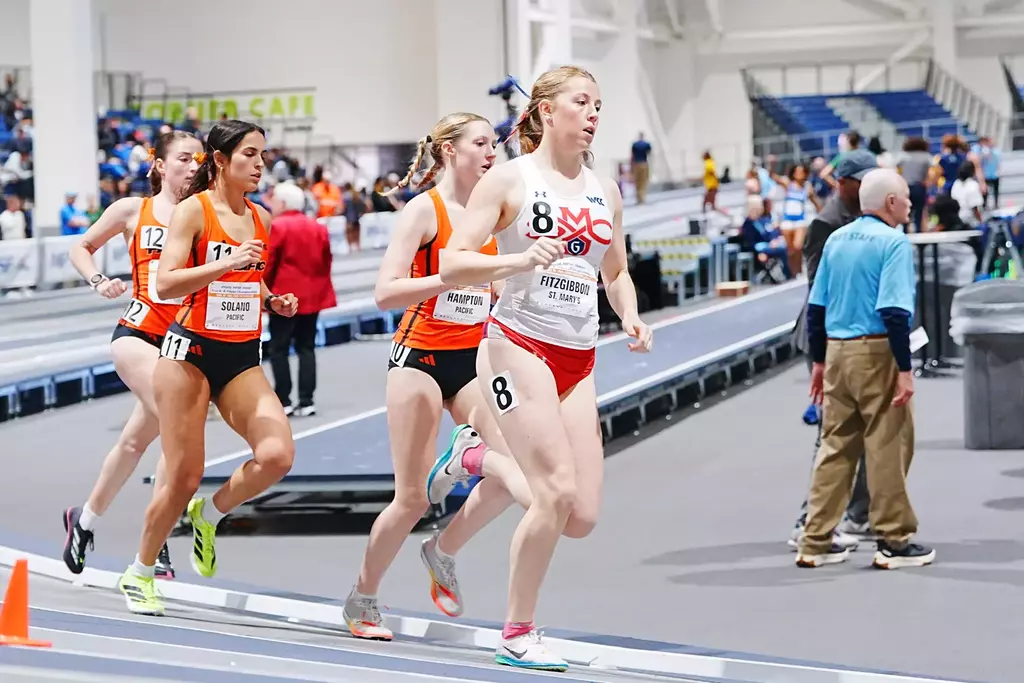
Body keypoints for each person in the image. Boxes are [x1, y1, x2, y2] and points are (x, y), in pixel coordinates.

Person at [438, 65, 654, 671]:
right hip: (517, 345)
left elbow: (615, 271)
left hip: (578, 357)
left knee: (580, 516)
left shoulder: (604, 190)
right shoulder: (510, 180)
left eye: (598, 105)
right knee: (553, 494)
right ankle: (517, 631)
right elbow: (454, 262)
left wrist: (631, 317)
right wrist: (517, 263)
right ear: (545, 111)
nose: (593, 115)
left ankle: (472, 457)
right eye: (581, 102)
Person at [343, 113, 532, 640]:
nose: (492, 151)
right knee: (411, 499)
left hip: (471, 358)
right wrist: (448, 275)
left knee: (513, 467)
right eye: (480, 143)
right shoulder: (423, 211)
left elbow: (487, 288)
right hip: (419, 358)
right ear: (450, 150)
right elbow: (385, 293)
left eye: (495, 143)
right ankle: (362, 599)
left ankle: (442, 549)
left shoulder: (491, 215)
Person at [118, 120, 299, 616]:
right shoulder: (193, 212)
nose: (261, 164)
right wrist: (227, 263)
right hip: (188, 353)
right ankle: (140, 570)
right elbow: (167, 284)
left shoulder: (261, 217)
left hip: (240, 354)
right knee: (183, 474)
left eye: (264, 155)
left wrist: (272, 298)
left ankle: (210, 514)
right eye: (250, 154)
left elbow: (250, 273)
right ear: (220, 160)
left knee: (278, 455)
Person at [63, 131, 203, 580]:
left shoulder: (203, 214)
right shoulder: (133, 211)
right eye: (183, 158)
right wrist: (99, 280)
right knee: (176, 422)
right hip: (138, 335)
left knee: (133, 441)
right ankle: (157, 539)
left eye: (198, 159)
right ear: (159, 165)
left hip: (182, 341)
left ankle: (82, 522)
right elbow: (79, 246)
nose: (192, 166)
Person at [797, 168, 934, 570]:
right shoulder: (893, 242)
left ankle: (815, 539)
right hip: (875, 353)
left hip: (837, 353)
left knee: (835, 447)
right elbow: (893, 311)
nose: (911, 202)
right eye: (906, 196)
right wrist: (905, 369)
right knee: (887, 445)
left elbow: (816, 307)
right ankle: (893, 538)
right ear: (891, 202)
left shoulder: (837, 239)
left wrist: (820, 362)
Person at [789, 148, 879, 550]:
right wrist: (824, 357)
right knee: (835, 430)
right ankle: (809, 520)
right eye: (865, 180)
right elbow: (820, 291)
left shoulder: (863, 216)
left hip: (855, 331)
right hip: (828, 334)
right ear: (844, 183)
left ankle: (858, 513)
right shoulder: (826, 224)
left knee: (862, 427)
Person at [264, 181, 336, 417]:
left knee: (279, 348)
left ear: (282, 203)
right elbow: (326, 262)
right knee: (306, 347)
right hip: (312, 296)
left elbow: (270, 263)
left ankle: (283, 398)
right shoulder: (317, 227)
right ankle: (307, 400)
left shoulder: (278, 226)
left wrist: (264, 294)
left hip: (283, 297)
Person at [630, 132, 652, 203]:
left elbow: (632, 155)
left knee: (637, 181)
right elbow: (649, 153)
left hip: (636, 164)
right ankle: (642, 197)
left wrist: (631, 165)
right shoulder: (647, 144)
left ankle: (639, 197)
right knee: (643, 181)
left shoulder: (635, 145)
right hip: (644, 163)